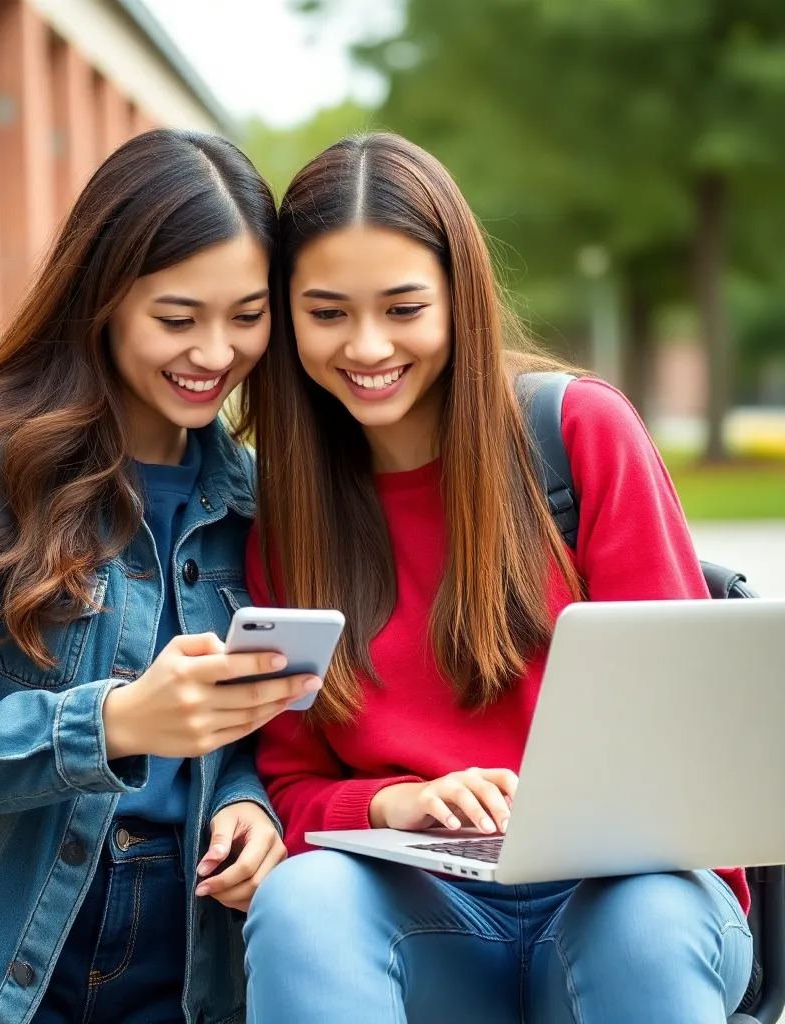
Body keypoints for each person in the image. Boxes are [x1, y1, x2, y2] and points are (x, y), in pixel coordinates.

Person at [238, 133, 753, 1023]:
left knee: (641, 917)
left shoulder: (578, 433)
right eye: (327, 313)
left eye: (404, 308)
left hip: (625, 899)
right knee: (303, 902)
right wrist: (396, 800)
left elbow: (690, 738)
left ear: (458, 299)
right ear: (286, 318)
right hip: (424, 915)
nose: (367, 346)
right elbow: (289, 783)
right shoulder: (288, 516)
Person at [0, 129, 321, 1024]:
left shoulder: (255, 497)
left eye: (247, 316)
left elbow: (252, 733)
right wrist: (117, 719)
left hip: (186, 949)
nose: (216, 352)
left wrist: (252, 806)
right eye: (178, 318)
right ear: (102, 296)